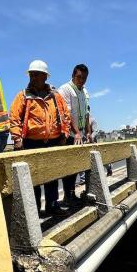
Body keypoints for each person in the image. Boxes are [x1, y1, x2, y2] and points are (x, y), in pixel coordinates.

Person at [9, 60, 70, 217]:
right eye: (31, 74)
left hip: (53, 142)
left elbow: (65, 116)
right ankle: (34, 210)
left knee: (52, 176)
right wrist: (17, 139)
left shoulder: (56, 96)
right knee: (33, 179)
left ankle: (52, 206)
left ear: (44, 76)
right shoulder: (23, 96)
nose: (33, 78)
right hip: (31, 142)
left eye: (36, 75)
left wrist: (64, 133)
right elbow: (14, 118)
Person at [58, 64, 90, 203]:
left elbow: (87, 113)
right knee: (69, 167)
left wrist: (88, 132)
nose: (81, 80)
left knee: (77, 166)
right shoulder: (65, 89)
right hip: (70, 134)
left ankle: (71, 195)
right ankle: (68, 196)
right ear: (73, 76)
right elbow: (67, 114)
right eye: (78, 77)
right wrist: (77, 132)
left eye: (84, 78)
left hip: (81, 134)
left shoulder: (84, 92)